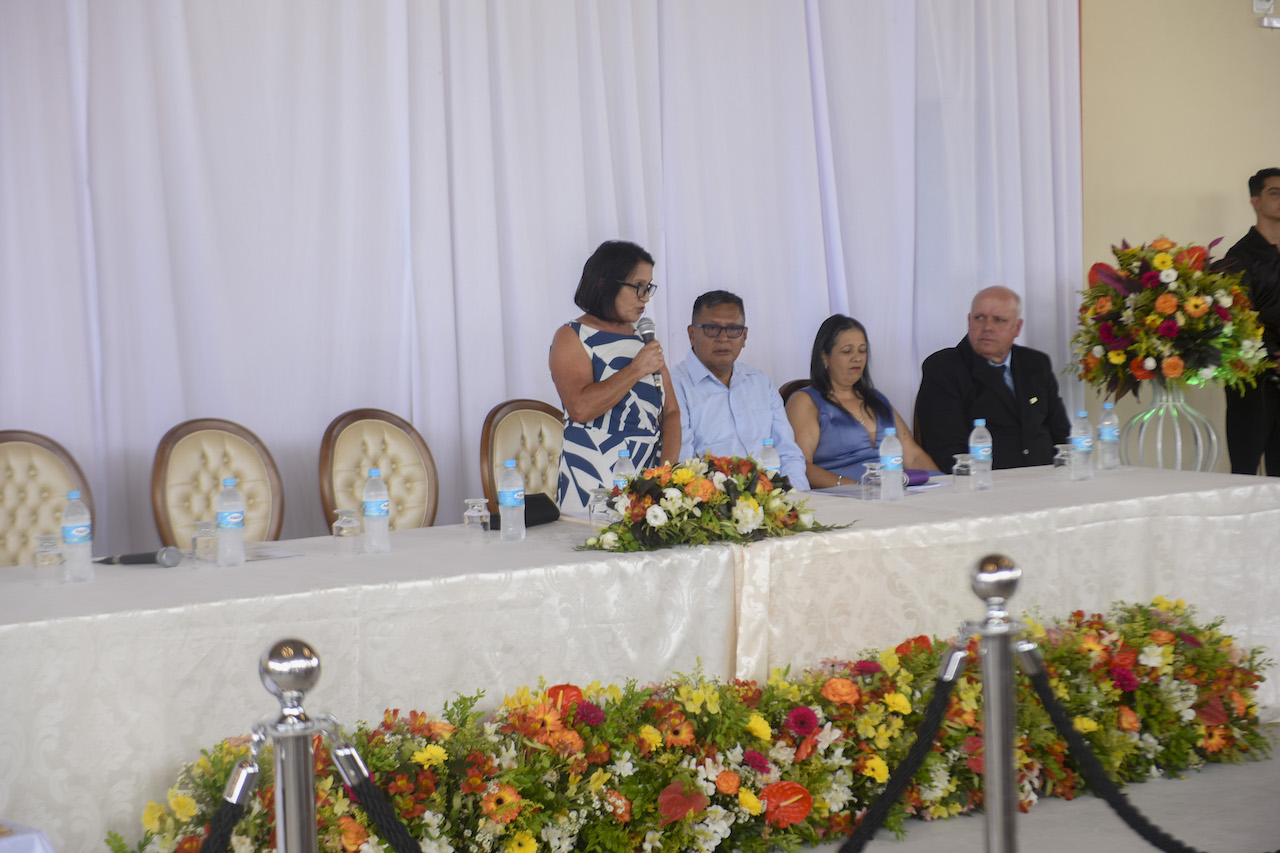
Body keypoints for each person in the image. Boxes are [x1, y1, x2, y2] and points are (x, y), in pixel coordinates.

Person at [550, 240, 681, 514]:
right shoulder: (572, 336)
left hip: (647, 480)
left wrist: (663, 477)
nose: (645, 297)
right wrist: (636, 369)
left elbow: (671, 412)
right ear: (605, 283)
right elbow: (580, 408)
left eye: (649, 287)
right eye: (638, 287)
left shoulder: (642, 339)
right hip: (591, 477)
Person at [915, 285, 1070, 472]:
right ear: (969, 321)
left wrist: (1068, 471)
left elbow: (1061, 433)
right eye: (979, 318)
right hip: (986, 481)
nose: (987, 327)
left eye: (999, 320)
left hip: (1048, 476)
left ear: (1017, 327)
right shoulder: (944, 368)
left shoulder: (1036, 363)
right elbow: (947, 449)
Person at [671, 290, 810, 489]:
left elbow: (788, 453)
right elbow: (683, 465)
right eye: (712, 328)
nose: (723, 338)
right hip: (713, 500)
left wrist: (797, 497)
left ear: (744, 336)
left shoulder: (760, 382)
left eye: (733, 329)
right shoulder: (675, 385)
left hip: (772, 497)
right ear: (692, 334)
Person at [785, 314, 935, 487]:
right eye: (847, 351)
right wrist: (856, 487)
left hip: (890, 492)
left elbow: (914, 456)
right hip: (842, 496)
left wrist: (945, 484)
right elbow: (800, 466)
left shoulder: (876, 399)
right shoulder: (805, 401)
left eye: (862, 350)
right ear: (824, 356)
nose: (857, 358)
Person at [1224, 167, 1280, 476]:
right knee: (1246, 468)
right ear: (1256, 202)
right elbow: (1239, 317)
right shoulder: (1238, 256)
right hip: (1253, 376)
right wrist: (1272, 355)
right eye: (1275, 193)